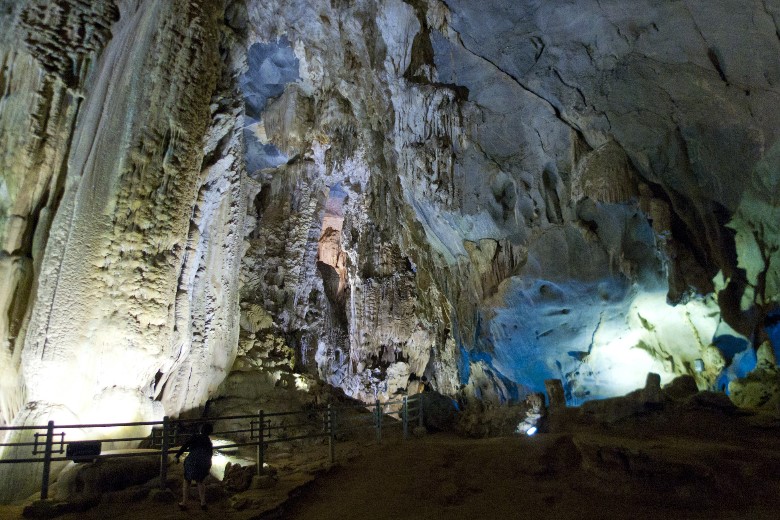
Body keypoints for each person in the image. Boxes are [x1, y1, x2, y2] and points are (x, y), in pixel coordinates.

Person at [176, 423, 213, 510]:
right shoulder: (208, 442)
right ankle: (203, 503)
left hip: (193, 461)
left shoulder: (195, 437)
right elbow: (210, 455)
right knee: (200, 481)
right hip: (203, 462)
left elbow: (185, 445)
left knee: (187, 480)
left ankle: (184, 503)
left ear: (201, 429)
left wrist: (177, 456)